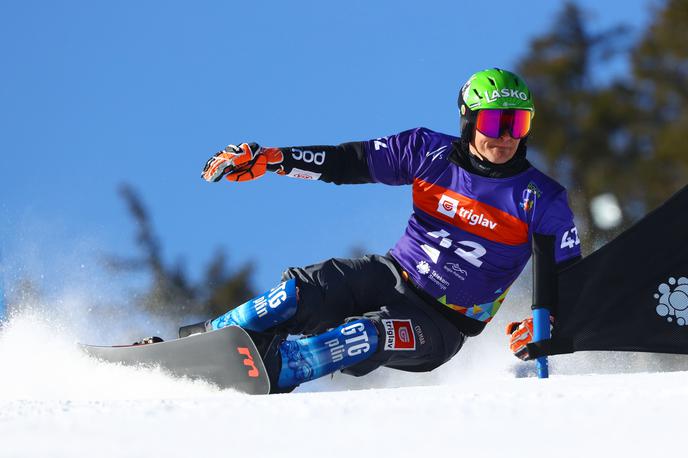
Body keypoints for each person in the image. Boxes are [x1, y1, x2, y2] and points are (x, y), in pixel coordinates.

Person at [183, 68, 582, 393]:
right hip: (389, 275)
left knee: (361, 335)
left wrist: (547, 326)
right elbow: (348, 162)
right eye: (495, 122)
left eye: (518, 123)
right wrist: (274, 160)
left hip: (442, 325)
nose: (507, 136)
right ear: (470, 121)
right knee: (297, 293)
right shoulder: (428, 152)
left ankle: (281, 370)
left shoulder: (541, 198)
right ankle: (199, 341)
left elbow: (572, 281)